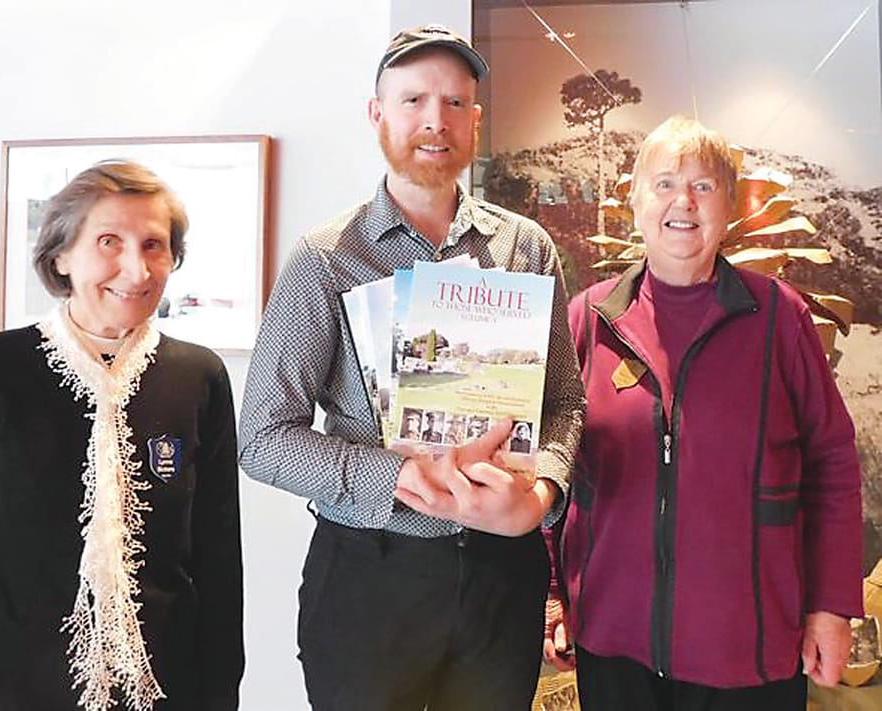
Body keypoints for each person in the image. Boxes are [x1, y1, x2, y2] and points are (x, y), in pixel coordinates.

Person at [238, 23, 584, 711]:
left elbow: (565, 403)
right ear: (378, 115)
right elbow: (262, 435)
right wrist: (395, 473)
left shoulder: (525, 248)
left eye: (456, 103)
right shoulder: (328, 258)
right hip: (371, 571)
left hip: (499, 577)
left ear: (476, 120)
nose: (436, 120)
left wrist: (542, 494)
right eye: (414, 100)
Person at [0, 160, 244, 711]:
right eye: (109, 241)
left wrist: (219, 695)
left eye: (154, 245)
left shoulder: (198, 376)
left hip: (162, 691)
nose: (136, 268)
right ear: (60, 256)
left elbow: (218, 562)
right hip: (4, 690)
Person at [547, 115, 863, 710]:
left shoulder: (778, 318)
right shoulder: (589, 318)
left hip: (748, 649)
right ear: (636, 200)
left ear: (729, 206)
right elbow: (549, 463)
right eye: (664, 183)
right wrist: (554, 594)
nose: (682, 202)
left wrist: (831, 606)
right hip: (614, 642)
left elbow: (832, 465)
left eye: (703, 185)